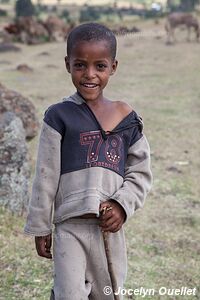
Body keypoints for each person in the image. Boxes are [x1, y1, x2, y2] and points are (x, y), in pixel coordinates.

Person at [24, 23, 152, 300]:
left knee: (108, 294)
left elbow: (140, 173)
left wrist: (121, 204)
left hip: (109, 229)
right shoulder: (58, 116)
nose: (90, 74)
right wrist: (40, 226)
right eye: (80, 65)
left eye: (100, 66)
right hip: (69, 227)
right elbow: (45, 176)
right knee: (68, 294)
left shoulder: (127, 118)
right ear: (67, 64)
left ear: (113, 67)